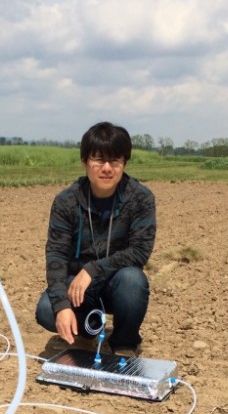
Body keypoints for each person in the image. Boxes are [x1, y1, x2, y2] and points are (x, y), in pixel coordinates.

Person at [35, 121, 156, 354]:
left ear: (124, 163)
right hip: (78, 288)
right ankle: (84, 333)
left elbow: (139, 251)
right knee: (46, 310)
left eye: (115, 160)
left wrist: (92, 270)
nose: (107, 168)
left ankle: (124, 342)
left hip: (116, 283)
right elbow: (56, 255)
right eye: (99, 160)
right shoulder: (66, 201)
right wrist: (61, 306)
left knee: (133, 281)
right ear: (85, 162)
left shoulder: (140, 199)